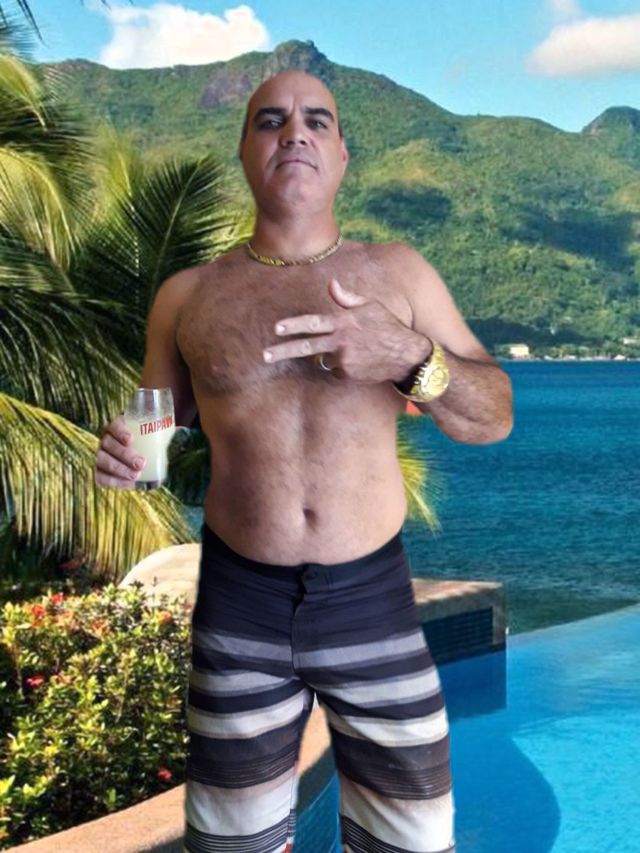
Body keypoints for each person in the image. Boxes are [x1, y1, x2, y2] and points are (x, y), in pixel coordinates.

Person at [95, 68, 513, 853]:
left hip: (372, 600)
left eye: (317, 120)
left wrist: (411, 355)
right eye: (271, 120)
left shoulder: (399, 274)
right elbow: (150, 431)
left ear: (343, 155)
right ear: (244, 150)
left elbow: (494, 416)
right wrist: (126, 453)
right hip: (240, 606)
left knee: (414, 841)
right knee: (232, 844)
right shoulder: (186, 296)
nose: (295, 133)